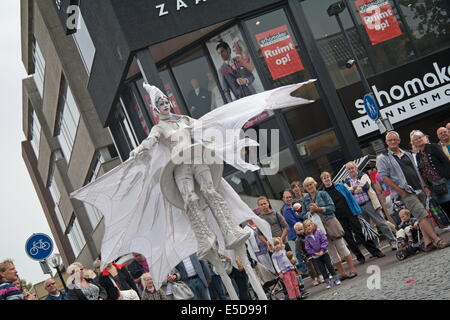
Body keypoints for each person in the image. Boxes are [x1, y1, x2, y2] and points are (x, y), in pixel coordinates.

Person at [377, 131, 448, 251]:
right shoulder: (384, 158)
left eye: (395, 140)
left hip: (418, 188)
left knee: (424, 215)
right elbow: (384, 177)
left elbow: (416, 170)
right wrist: (400, 191)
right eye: (390, 140)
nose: (393, 142)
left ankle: (427, 242)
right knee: (422, 214)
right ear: (386, 142)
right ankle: (437, 240)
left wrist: (424, 186)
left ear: (399, 141)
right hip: (405, 191)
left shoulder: (406, 153)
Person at [321, 171, 385, 267]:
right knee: (349, 238)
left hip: (350, 213)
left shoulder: (340, 186)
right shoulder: (323, 193)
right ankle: (360, 257)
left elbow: (350, 198)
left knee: (360, 232)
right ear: (322, 181)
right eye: (324, 178)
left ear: (330, 177)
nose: (327, 179)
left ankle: (375, 252)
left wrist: (357, 211)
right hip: (338, 219)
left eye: (327, 177)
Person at [300, 177, 359, 280]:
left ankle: (352, 269)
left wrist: (319, 209)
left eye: (311, 184)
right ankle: (342, 273)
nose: (310, 187)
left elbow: (332, 207)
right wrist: (310, 212)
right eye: (307, 185)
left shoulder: (323, 194)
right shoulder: (305, 200)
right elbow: (304, 215)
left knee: (341, 246)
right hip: (317, 228)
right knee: (330, 250)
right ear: (305, 188)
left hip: (330, 222)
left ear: (315, 184)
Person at [344, 161, 397, 250]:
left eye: (352, 168)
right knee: (369, 228)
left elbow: (365, 187)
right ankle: (376, 247)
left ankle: (393, 241)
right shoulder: (346, 181)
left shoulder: (363, 175)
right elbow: (347, 192)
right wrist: (354, 188)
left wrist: (353, 190)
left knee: (381, 223)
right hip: (359, 207)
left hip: (369, 203)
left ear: (355, 168)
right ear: (347, 171)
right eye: (349, 169)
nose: (351, 170)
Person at [410, 130, 450, 215]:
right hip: (433, 187)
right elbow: (421, 172)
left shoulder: (433, 147)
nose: (418, 140)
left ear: (424, 137)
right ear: (413, 143)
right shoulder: (418, 155)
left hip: (444, 181)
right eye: (415, 139)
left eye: (420, 137)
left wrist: (446, 177)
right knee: (445, 208)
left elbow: (445, 161)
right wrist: (426, 186)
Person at [303, 220, 340, 289]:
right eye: (306, 227)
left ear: (313, 225)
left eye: (309, 225)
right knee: (322, 269)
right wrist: (315, 253)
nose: (308, 228)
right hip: (316, 256)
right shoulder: (307, 238)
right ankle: (327, 282)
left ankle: (336, 278)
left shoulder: (319, 232)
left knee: (330, 266)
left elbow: (324, 241)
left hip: (324, 253)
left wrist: (322, 250)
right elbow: (308, 248)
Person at [282, 189, 302, 253]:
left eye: (290, 197)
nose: (289, 199)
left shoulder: (293, 206)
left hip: (299, 232)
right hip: (296, 233)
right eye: (287, 197)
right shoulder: (287, 210)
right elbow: (294, 223)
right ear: (284, 199)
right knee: (303, 252)